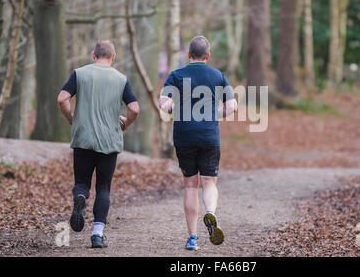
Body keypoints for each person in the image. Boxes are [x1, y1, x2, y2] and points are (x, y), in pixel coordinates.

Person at [57, 40, 139, 248]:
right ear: (113, 57)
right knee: (103, 187)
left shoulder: (80, 73)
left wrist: (71, 118)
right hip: (109, 141)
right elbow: (135, 109)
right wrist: (126, 123)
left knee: (81, 182)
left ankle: (81, 198)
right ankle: (97, 235)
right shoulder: (121, 79)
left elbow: (62, 99)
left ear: (94, 55)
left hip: (83, 139)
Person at [159, 36, 237, 250]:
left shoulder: (176, 75)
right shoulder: (218, 76)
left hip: (184, 137)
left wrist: (176, 109)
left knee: (190, 184)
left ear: (188, 55)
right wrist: (214, 114)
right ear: (208, 56)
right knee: (209, 182)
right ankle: (210, 213)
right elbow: (232, 107)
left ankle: (193, 238)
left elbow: (164, 104)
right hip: (208, 136)